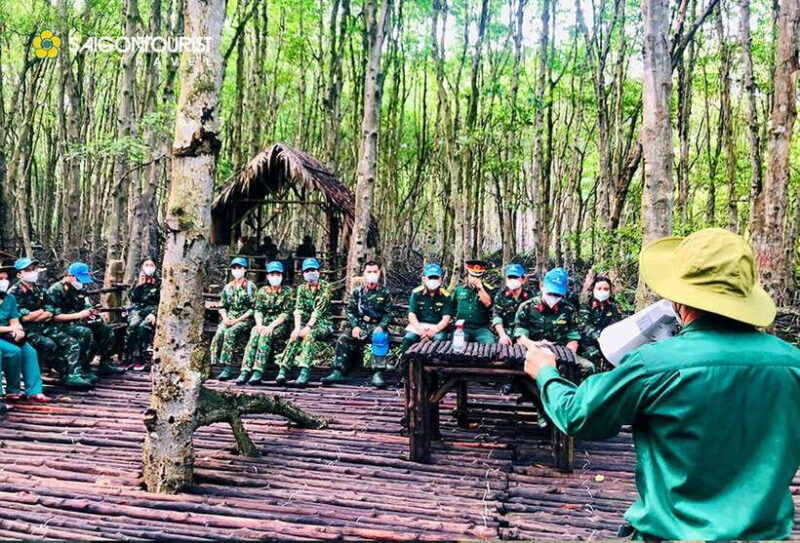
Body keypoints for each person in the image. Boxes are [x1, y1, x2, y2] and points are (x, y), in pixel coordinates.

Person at [522, 228, 800, 540]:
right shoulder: (793, 364)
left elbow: (578, 415)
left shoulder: (654, 364)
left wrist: (546, 373)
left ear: (679, 300)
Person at [8, 258, 93, 388]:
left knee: (71, 342)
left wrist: (37, 314)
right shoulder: (14, 292)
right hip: (24, 330)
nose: (32, 272)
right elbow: (22, 317)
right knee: (48, 344)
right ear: (19, 274)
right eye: (28, 270)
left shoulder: (39, 289)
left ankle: (72, 374)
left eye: (34, 269)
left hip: (45, 326)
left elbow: (50, 311)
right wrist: (39, 313)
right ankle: (59, 372)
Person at [323, 260, 393, 388]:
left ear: (379, 273)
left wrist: (381, 326)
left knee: (380, 338)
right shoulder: (358, 292)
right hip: (360, 324)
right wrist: (355, 326)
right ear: (364, 273)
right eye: (369, 272)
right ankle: (338, 371)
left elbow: (389, 313)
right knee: (344, 338)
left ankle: (378, 373)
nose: (372, 274)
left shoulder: (384, 293)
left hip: (376, 325)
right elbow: (350, 311)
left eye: (375, 271)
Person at [48, 262, 124, 378]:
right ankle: (81, 368)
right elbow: (54, 316)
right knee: (85, 333)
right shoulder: (56, 290)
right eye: (79, 279)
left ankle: (105, 363)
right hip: (60, 325)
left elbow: (85, 304)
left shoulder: (80, 288)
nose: (81, 283)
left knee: (105, 329)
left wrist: (91, 312)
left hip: (78, 321)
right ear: (70, 276)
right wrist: (78, 315)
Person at [274, 258, 332, 387]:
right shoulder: (301, 288)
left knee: (309, 336)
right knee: (295, 336)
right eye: (307, 271)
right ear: (303, 273)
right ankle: (283, 370)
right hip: (305, 323)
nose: (310, 273)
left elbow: (318, 310)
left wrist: (308, 327)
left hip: (322, 323)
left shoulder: (325, 287)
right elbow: (298, 309)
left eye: (313, 270)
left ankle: (304, 371)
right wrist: (297, 327)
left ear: (318, 272)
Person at [237, 261, 293, 385]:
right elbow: (258, 310)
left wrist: (271, 326)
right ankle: (245, 370)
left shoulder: (287, 292)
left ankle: (258, 371)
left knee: (265, 336)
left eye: (278, 274)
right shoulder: (262, 291)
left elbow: (286, 313)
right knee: (254, 333)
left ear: (282, 276)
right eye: (272, 274)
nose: (275, 277)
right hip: (263, 322)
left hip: (279, 325)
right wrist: (259, 325)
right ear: (267, 276)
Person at [0, 264, 49, 403]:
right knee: (13, 351)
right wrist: (11, 329)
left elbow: (15, 320)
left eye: (5, 278)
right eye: (0, 278)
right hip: (5, 333)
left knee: (29, 351)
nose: (3, 281)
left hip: (7, 334)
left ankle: (34, 391)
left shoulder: (9, 299)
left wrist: (18, 330)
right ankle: (13, 389)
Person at [212, 257, 256, 380]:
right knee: (220, 332)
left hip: (245, 319)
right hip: (229, 318)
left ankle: (228, 368)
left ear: (245, 269)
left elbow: (253, 309)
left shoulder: (250, 287)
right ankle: (216, 363)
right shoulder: (228, 287)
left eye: (239, 268)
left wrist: (237, 320)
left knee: (230, 332)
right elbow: (222, 306)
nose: (237, 270)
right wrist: (225, 318)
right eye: (234, 268)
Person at [401, 263, 452, 353]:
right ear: (424, 278)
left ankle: (434, 361)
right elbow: (412, 315)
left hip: (437, 327)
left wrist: (434, 330)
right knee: (409, 338)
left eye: (435, 278)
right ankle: (404, 360)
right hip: (419, 326)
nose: (433, 280)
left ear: (440, 279)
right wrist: (421, 331)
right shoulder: (416, 293)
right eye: (430, 277)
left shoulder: (446, 296)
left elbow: (446, 319)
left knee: (439, 339)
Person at [123, 257, 160, 371]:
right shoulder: (138, 280)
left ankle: (141, 358)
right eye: (146, 265)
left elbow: (162, 301)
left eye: (151, 265)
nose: (149, 267)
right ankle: (127, 358)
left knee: (144, 327)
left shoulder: (159, 282)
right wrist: (139, 285)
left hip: (153, 311)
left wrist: (154, 313)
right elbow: (133, 298)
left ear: (155, 267)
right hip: (138, 310)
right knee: (133, 326)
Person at [578, 275, 623, 370]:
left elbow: (616, 323)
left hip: (609, 340)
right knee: (593, 355)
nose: (602, 291)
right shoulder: (586, 305)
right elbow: (585, 325)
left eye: (606, 289)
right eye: (599, 288)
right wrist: (599, 337)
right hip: (590, 341)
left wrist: (608, 338)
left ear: (610, 291)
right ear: (593, 289)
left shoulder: (614, 305)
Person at [451, 260, 495, 344]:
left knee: (490, 342)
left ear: (482, 276)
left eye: (478, 276)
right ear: (468, 275)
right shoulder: (459, 289)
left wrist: (479, 287)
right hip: (463, 327)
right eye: (473, 275)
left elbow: (488, 303)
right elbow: (452, 309)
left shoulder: (488, 289)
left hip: (481, 328)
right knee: (458, 344)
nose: (475, 279)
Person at [492, 263, 536, 346]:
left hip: (526, 334)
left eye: (515, 277)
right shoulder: (500, 296)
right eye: (510, 277)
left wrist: (524, 339)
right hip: (506, 333)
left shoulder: (531, 296)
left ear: (523, 279)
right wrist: (502, 335)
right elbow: (496, 317)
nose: (512, 280)